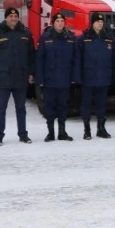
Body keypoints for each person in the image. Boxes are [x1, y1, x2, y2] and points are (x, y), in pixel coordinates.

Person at [0, 7, 36, 145]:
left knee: (21, 108)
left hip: (21, 77)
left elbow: (31, 55)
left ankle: (23, 134)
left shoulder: (26, 33)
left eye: (16, 17)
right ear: (6, 18)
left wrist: (31, 73)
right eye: (10, 17)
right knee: (1, 108)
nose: (13, 19)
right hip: (3, 77)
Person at [35, 12, 79, 142]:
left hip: (65, 79)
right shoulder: (45, 37)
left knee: (63, 106)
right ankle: (51, 133)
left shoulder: (70, 38)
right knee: (49, 108)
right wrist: (40, 79)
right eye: (57, 21)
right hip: (49, 79)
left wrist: (74, 77)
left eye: (62, 21)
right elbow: (40, 60)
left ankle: (62, 132)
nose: (60, 23)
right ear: (53, 23)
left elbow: (75, 59)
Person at [78, 13, 115, 140]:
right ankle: (87, 129)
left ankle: (101, 128)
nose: (100, 23)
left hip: (103, 76)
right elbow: (78, 59)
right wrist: (78, 76)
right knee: (86, 104)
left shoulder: (108, 39)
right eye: (97, 21)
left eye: (101, 21)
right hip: (88, 76)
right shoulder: (84, 38)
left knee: (102, 104)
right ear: (92, 23)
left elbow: (113, 59)